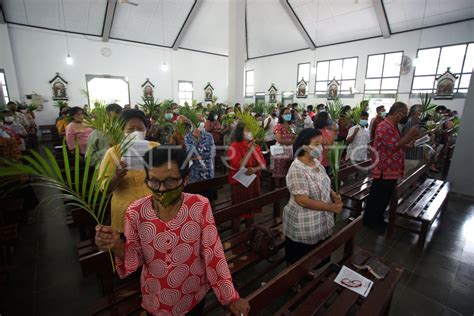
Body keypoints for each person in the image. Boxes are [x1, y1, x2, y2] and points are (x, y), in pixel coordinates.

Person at [95, 148, 250, 315]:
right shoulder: (136, 212)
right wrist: (116, 244)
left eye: (169, 182)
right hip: (157, 298)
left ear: (185, 180)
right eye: (154, 182)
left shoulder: (199, 206)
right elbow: (136, 259)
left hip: (194, 295)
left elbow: (213, 254)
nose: (161, 190)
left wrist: (230, 297)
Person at [283, 128, 343, 266]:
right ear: (304, 147)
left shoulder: (316, 162)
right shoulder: (297, 168)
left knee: (316, 258)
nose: (321, 148)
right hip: (304, 223)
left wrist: (334, 195)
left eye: (321, 144)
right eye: (316, 144)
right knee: (300, 262)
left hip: (321, 220)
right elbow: (302, 201)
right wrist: (331, 207)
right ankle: (295, 283)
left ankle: (310, 277)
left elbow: (324, 182)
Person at [99, 109, 159, 233]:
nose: (136, 132)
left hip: (155, 209)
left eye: (140, 128)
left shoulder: (156, 147)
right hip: (126, 212)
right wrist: (117, 176)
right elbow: (103, 187)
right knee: (129, 249)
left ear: (146, 129)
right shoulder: (113, 153)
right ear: (122, 130)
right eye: (130, 129)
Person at [363, 102, 420, 234]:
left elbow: (397, 145)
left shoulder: (393, 126)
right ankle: (371, 222)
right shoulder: (384, 126)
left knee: (385, 197)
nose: (404, 117)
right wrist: (409, 135)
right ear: (396, 113)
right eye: (403, 114)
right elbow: (392, 146)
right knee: (378, 197)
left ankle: (379, 218)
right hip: (384, 168)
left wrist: (407, 145)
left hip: (391, 169)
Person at [227, 122, 266, 230]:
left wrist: (254, 169)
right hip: (239, 183)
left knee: (251, 210)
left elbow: (263, 164)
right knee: (238, 211)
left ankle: (250, 232)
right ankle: (236, 236)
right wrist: (249, 151)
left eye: (251, 130)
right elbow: (239, 166)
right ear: (241, 132)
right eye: (247, 130)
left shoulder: (255, 146)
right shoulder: (234, 146)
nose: (250, 132)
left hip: (253, 181)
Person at [272, 107, 296, 188]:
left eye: (289, 113)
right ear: (281, 115)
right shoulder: (279, 126)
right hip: (280, 150)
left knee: (287, 169)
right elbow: (279, 140)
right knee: (278, 171)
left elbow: (294, 136)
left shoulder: (291, 125)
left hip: (289, 150)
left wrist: (294, 139)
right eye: (286, 113)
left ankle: (285, 187)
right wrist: (292, 142)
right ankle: (277, 189)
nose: (288, 115)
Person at [402, 104, 425, 175]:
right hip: (411, 155)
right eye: (420, 111)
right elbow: (406, 139)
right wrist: (423, 135)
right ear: (414, 112)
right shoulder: (410, 122)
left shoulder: (418, 122)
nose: (421, 113)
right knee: (405, 176)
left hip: (417, 154)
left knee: (412, 175)